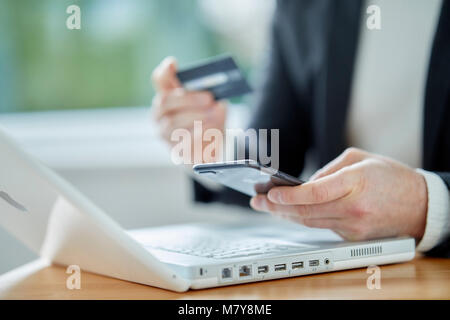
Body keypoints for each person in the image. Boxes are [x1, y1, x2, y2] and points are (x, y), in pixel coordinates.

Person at [151, 0, 450, 257]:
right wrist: (214, 150)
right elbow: (276, 156)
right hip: (348, 277)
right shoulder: (301, 5)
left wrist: (428, 204)